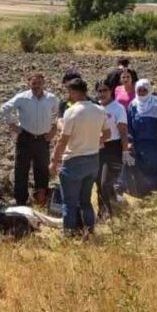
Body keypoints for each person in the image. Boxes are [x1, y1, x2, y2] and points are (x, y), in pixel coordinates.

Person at [49, 79, 111, 236]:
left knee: (69, 201)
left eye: (69, 92)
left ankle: (69, 232)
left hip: (74, 161)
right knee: (85, 199)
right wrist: (93, 142)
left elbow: (63, 140)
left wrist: (54, 162)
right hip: (93, 160)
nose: (68, 96)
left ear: (75, 92)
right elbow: (107, 134)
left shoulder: (72, 112)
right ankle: (89, 230)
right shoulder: (99, 110)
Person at [0, 74, 61, 206]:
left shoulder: (51, 98)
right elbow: (4, 109)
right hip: (25, 138)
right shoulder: (22, 97)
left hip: (43, 139)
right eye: (34, 83)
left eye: (39, 83)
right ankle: (21, 201)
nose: (36, 86)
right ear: (29, 84)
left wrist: (53, 131)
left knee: (42, 170)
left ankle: (41, 200)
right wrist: (13, 125)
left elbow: (61, 113)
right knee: (21, 170)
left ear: (44, 83)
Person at [121, 79, 157, 197]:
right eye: (139, 90)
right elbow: (129, 125)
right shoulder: (133, 105)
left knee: (154, 170)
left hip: (155, 145)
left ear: (149, 90)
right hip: (139, 144)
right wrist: (130, 141)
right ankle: (141, 194)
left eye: (145, 90)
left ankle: (153, 193)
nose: (142, 92)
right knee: (139, 169)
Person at [94, 81, 128, 218]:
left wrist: (125, 150)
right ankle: (104, 213)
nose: (102, 94)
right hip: (97, 148)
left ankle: (110, 214)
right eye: (99, 91)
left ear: (111, 91)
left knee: (106, 183)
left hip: (113, 147)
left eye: (105, 90)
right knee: (98, 183)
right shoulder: (95, 108)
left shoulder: (117, 108)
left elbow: (123, 130)